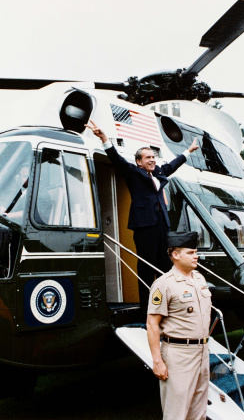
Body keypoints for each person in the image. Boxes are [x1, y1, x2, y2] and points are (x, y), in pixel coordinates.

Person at [85, 120, 199, 316]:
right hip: (145, 226)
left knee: (165, 267)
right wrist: (104, 138)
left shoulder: (160, 173)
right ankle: (147, 311)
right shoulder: (133, 173)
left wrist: (189, 151)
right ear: (139, 161)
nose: (152, 160)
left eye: (153, 157)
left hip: (163, 226)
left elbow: (173, 164)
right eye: (148, 157)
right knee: (146, 267)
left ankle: (168, 308)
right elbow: (116, 159)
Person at [147, 231, 212, 420]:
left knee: (199, 413)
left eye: (196, 252)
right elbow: (152, 324)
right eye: (191, 252)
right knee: (176, 414)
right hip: (178, 355)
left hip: (202, 352)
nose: (196, 256)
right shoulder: (163, 284)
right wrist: (157, 361)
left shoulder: (199, 278)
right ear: (175, 255)